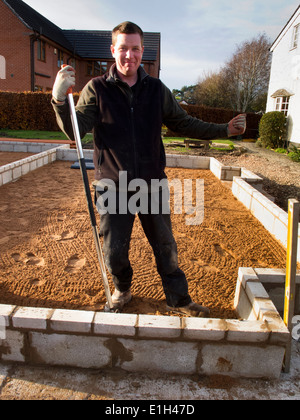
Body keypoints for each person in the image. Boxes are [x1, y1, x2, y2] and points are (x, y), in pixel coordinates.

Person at [52, 21, 246, 316]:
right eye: (123, 48)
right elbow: (75, 131)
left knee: (165, 246)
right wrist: (58, 100)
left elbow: (184, 123)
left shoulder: (156, 89)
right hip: (112, 185)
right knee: (114, 251)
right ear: (112, 51)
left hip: (152, 184)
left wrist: (224, 130)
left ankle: (178, 299)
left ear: (142, 51)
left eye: (135, 49)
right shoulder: (97, 89)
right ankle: (122, 289)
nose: (129, 55)